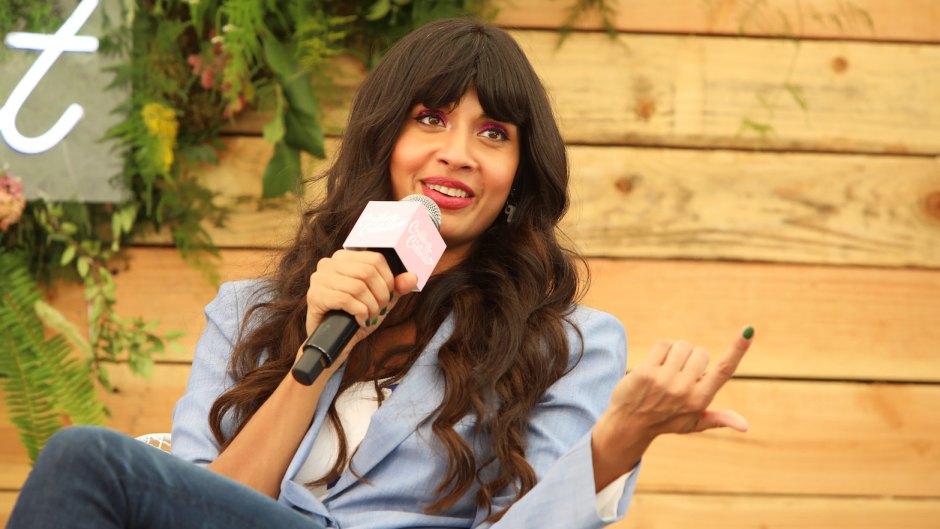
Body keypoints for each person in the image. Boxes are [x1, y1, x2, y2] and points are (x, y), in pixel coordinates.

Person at [7, 17, 753, 529]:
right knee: (88, 462)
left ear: (518, 176)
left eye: (492, 133)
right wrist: (312, 360)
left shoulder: (570, 343)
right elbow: (200, 510)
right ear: (382, 139)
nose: (457, 152)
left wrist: (614, 444)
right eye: (430, 119)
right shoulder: (249, 311)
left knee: (80, 454)